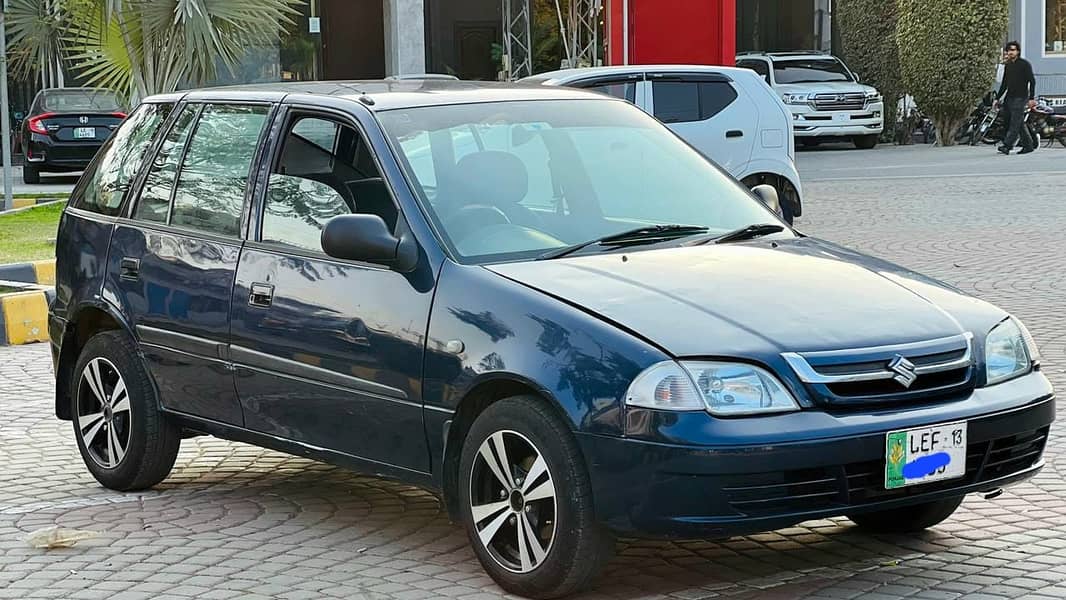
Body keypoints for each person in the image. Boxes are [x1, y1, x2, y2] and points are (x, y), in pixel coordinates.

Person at [996, 41, 1037, 155]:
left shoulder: (1024, 64)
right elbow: (1004, 84)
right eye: (1009, 50)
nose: (1011, 52)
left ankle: (1007, 146)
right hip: (1009, 98)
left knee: (1015, 122)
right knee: (1016, 122)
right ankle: (1028, 145)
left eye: (1013, 50)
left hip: (1021, 97)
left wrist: (1031, 98)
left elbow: (1032, 81)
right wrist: (997, 98)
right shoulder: (1008, 66)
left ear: (1018, 51)